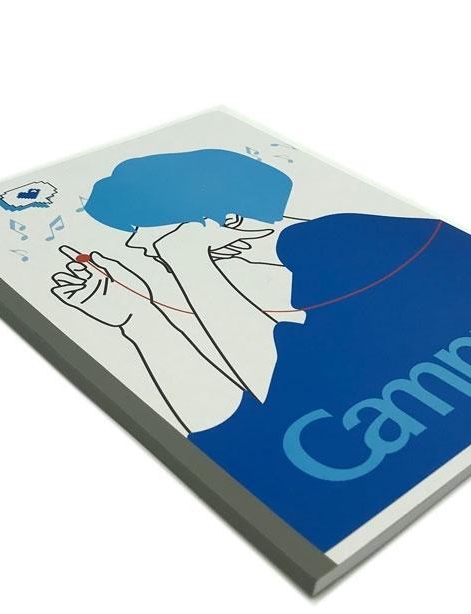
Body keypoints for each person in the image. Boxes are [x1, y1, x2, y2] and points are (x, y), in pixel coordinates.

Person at [50, 149, 308, 434]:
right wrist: (137, 318)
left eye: (143, 227)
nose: (135, 244)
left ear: (229, 220)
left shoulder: (324, 274)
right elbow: (237, 431)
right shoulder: (256, 275)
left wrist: (188, 260)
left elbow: (292, 393)